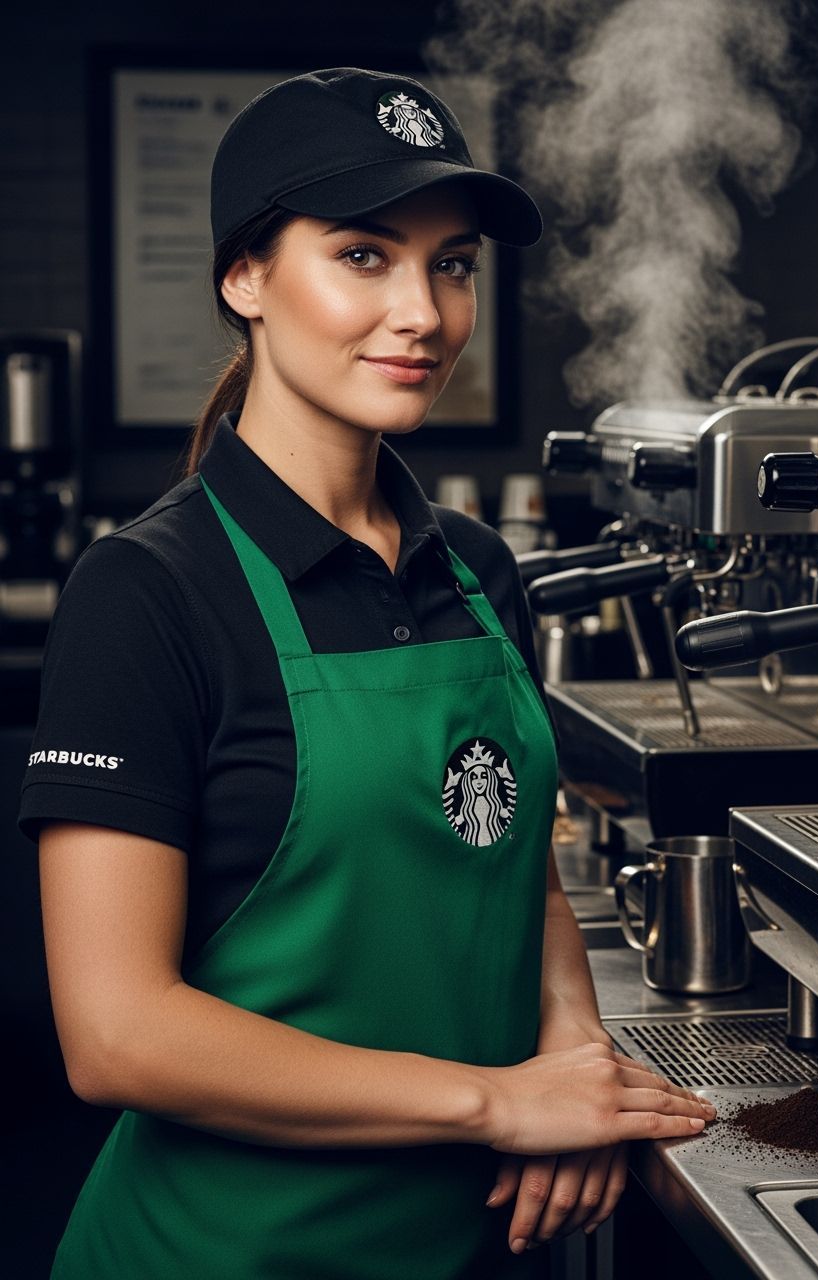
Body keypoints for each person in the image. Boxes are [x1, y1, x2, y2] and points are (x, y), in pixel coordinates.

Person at [21, 67, 714, 1279]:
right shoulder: (148, 592)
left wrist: (572, 1057)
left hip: (471, 1247)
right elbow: (117, 1032)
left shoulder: (478, 564)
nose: (424, 312)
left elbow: (510, 865)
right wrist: (500, 1105)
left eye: (451, 264)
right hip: (225, 1252)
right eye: (361, 255)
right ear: (245, 278)